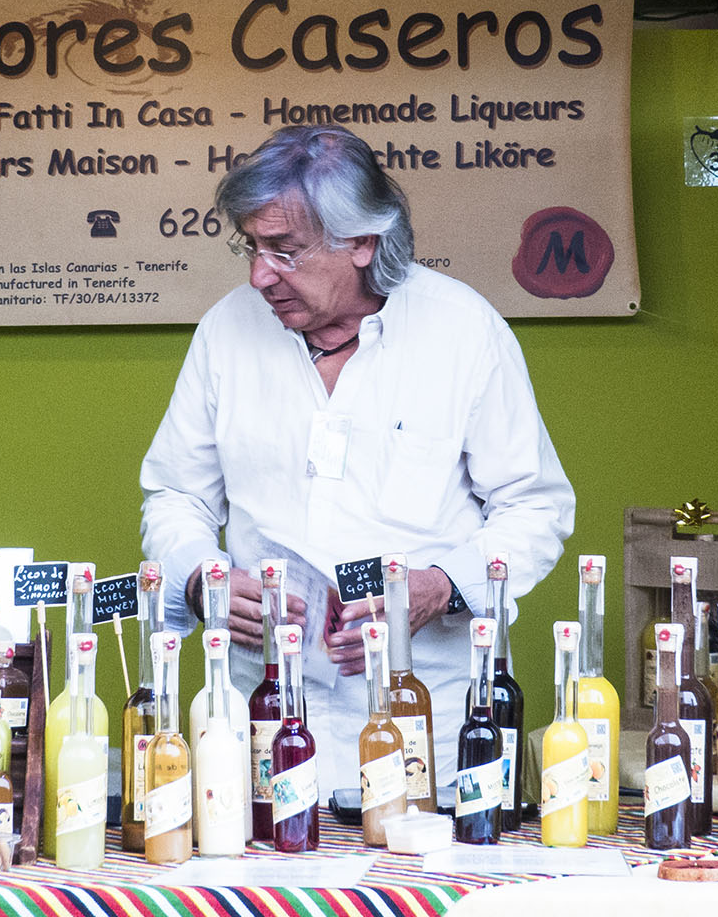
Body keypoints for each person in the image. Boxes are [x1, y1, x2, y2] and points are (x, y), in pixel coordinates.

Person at [138, 124, 575, 794]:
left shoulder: (461, 330)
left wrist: (442, 585)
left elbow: (535, 506)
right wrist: (202, 579)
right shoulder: (226, 330)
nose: (259, 275)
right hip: (267, 719)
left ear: (363, 242)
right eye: (251, 248)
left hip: (429, 719)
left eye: (283, 251)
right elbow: (176, 497)